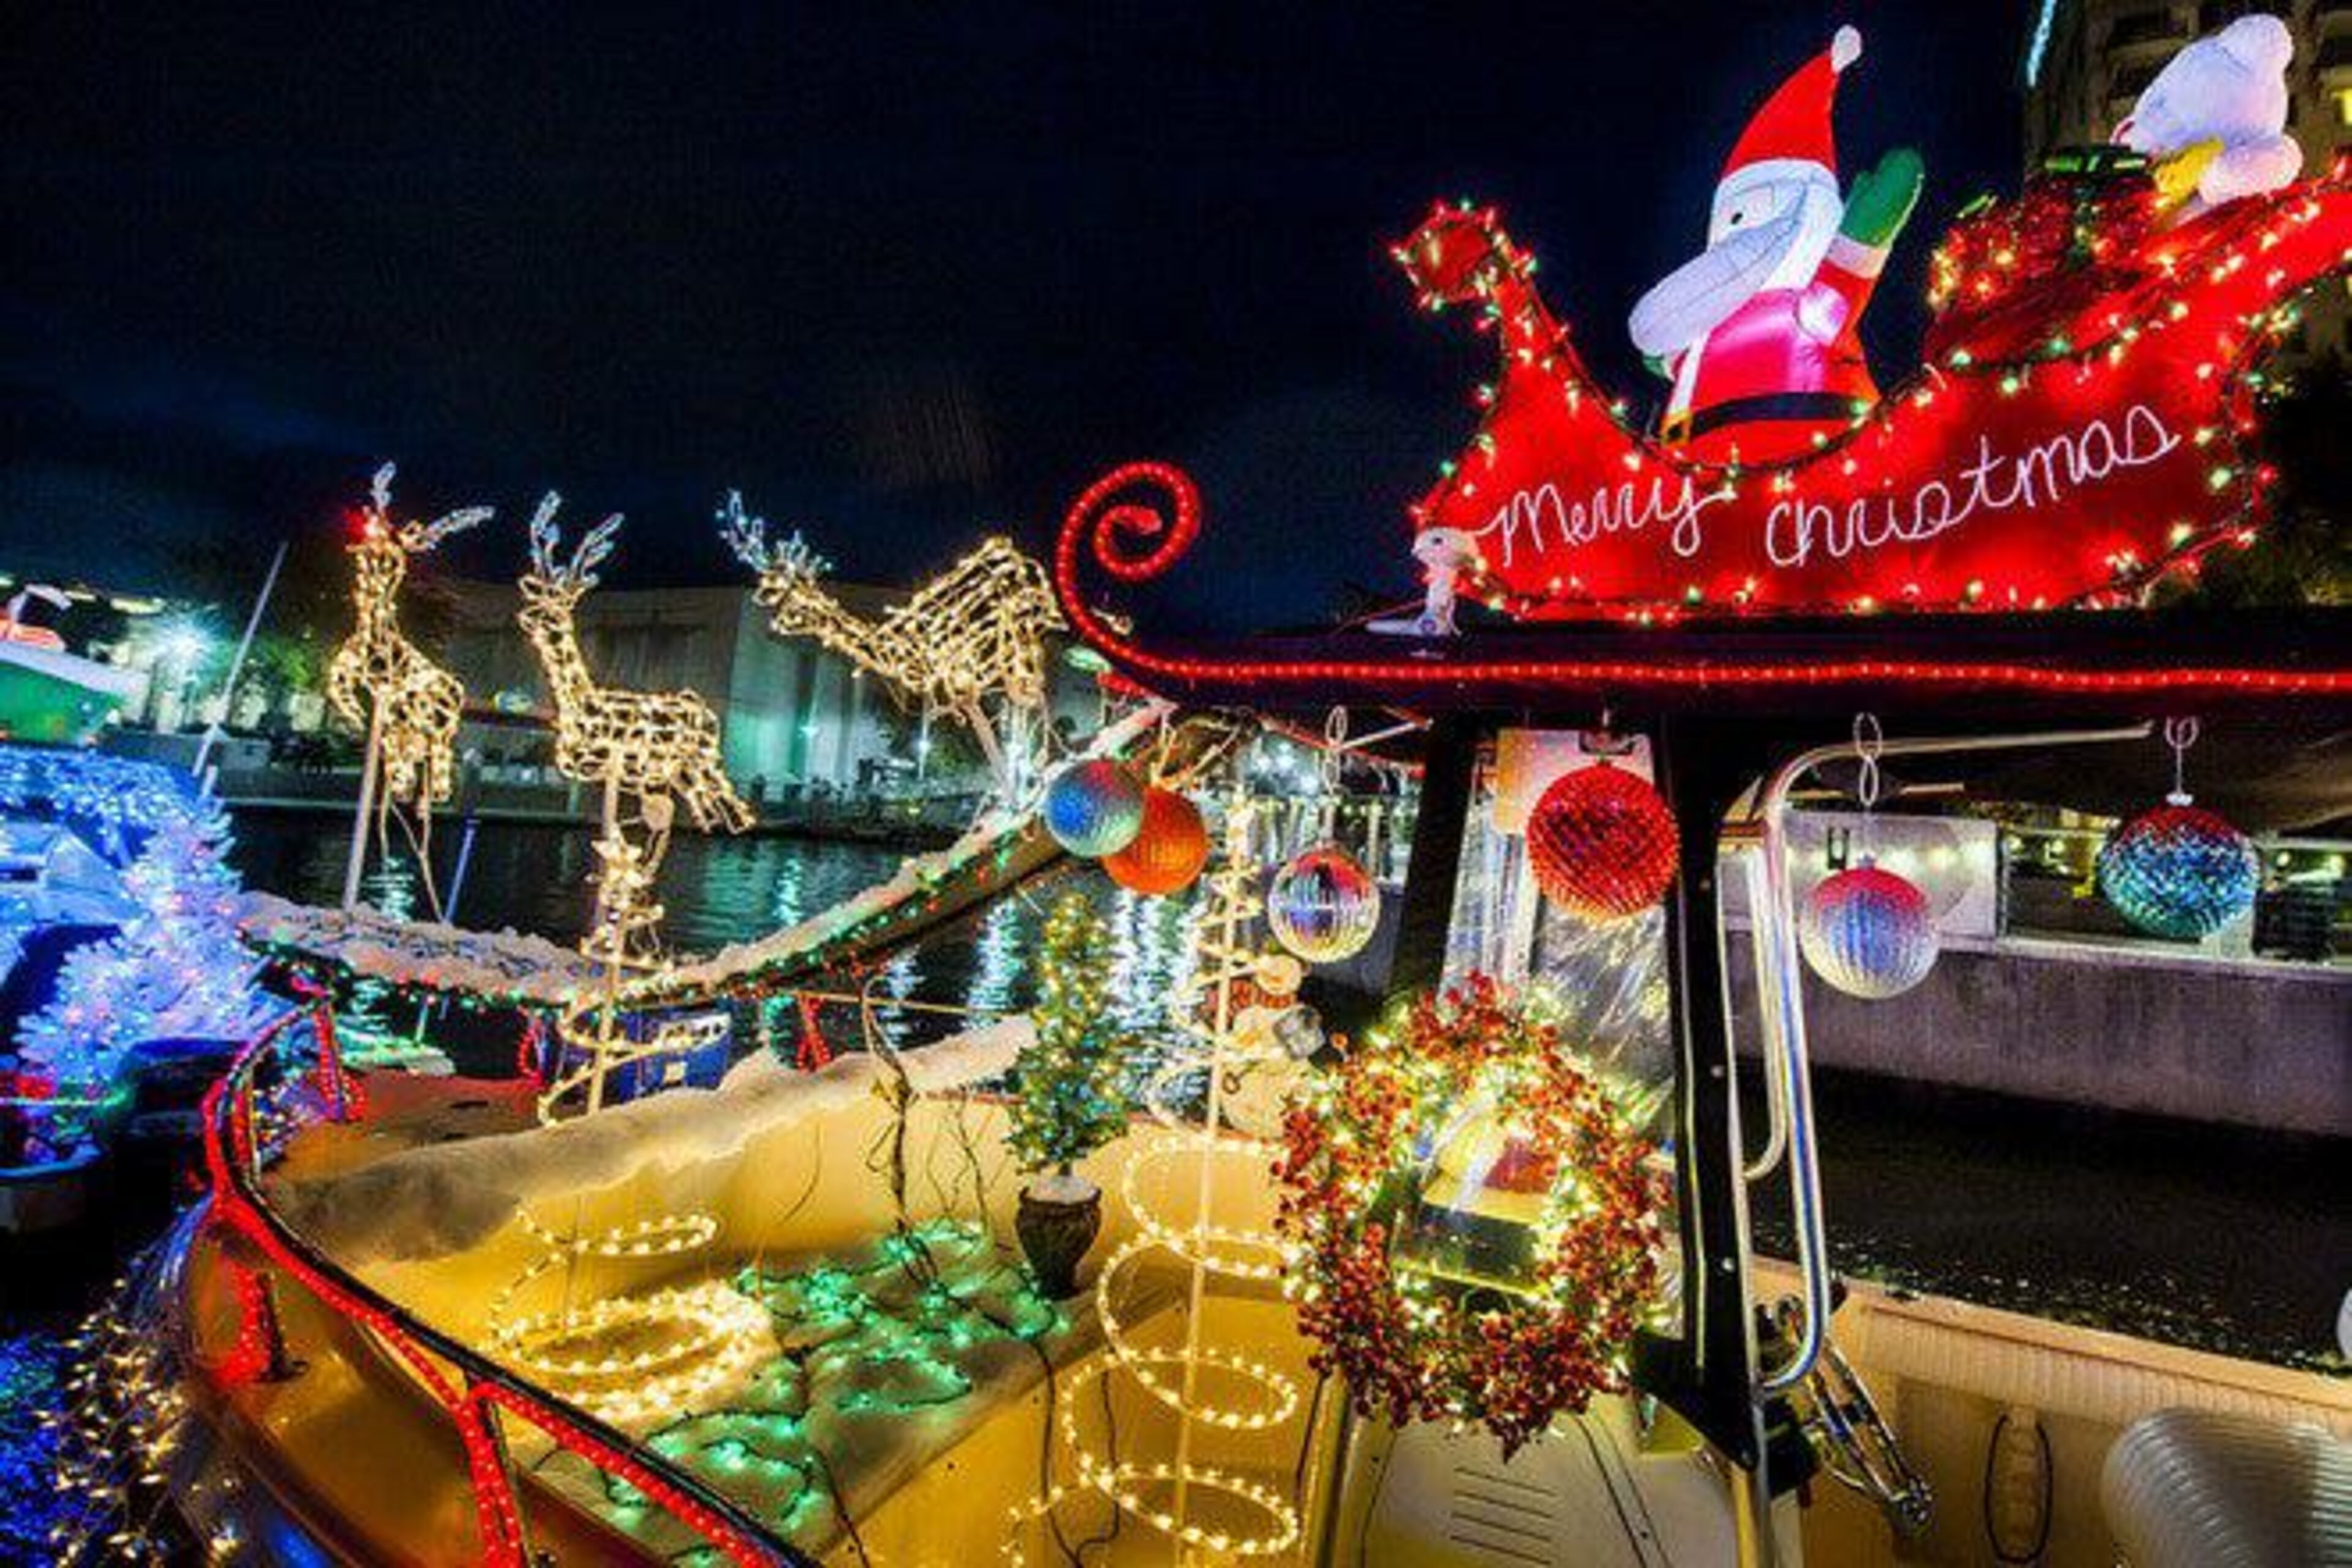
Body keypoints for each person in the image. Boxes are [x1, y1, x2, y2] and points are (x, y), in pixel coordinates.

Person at [1627, 26, 1921, 464]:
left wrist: (1862, 230)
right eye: (1733, 220)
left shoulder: (1809, 309)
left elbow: (1848, 268)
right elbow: (1663, 356)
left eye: (1750, 213)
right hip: (1693, 483)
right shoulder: (1704, 330)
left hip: (1813, 470)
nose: (1741, 232)